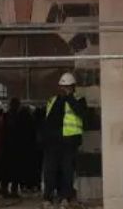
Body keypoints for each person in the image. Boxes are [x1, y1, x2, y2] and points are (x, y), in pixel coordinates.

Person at [41, 72, 87, 209]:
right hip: (53, 142)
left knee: (67, 170)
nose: (65, 89)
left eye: (68, 87)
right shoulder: (53, 100)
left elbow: (82, 114)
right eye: (63, 86)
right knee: (50, 170)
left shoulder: (79, 99)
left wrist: (70, 98)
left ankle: (65, 197)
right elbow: (48, 120)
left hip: (69, 141)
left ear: (73, 87)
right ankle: (48, 197)